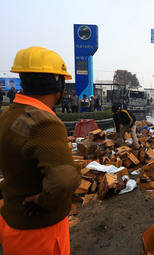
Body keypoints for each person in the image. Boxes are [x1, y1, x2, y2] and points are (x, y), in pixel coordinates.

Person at [0, 46, 81, 254]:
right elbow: (65, 180)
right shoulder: (45, 123)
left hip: (12, 222)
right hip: (40, 232)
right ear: (60, 85)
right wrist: (42, 201)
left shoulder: (8, 116)